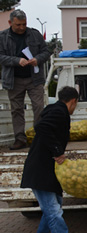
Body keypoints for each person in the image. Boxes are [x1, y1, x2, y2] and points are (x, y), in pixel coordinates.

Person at [20, 86, 87, 233]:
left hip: (45, 170)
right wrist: (57, 151)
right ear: (73, 101)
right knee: (54, 211)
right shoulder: (60, 112)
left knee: (55, 206)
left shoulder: (56, 110)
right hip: (40, 170)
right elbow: (41, 127)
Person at [0, 9, 51, 150]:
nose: (22, 27)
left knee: (39, 107)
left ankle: (39, 137)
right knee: (16, 110)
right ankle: (20, 139)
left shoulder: (35, 34)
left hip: (34, 78)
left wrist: (38, 59)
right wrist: (17, 61)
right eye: (18, 25)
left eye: (24, 24)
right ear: (10, 23)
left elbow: (46, 51)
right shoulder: (2, 37)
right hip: (13, 79)